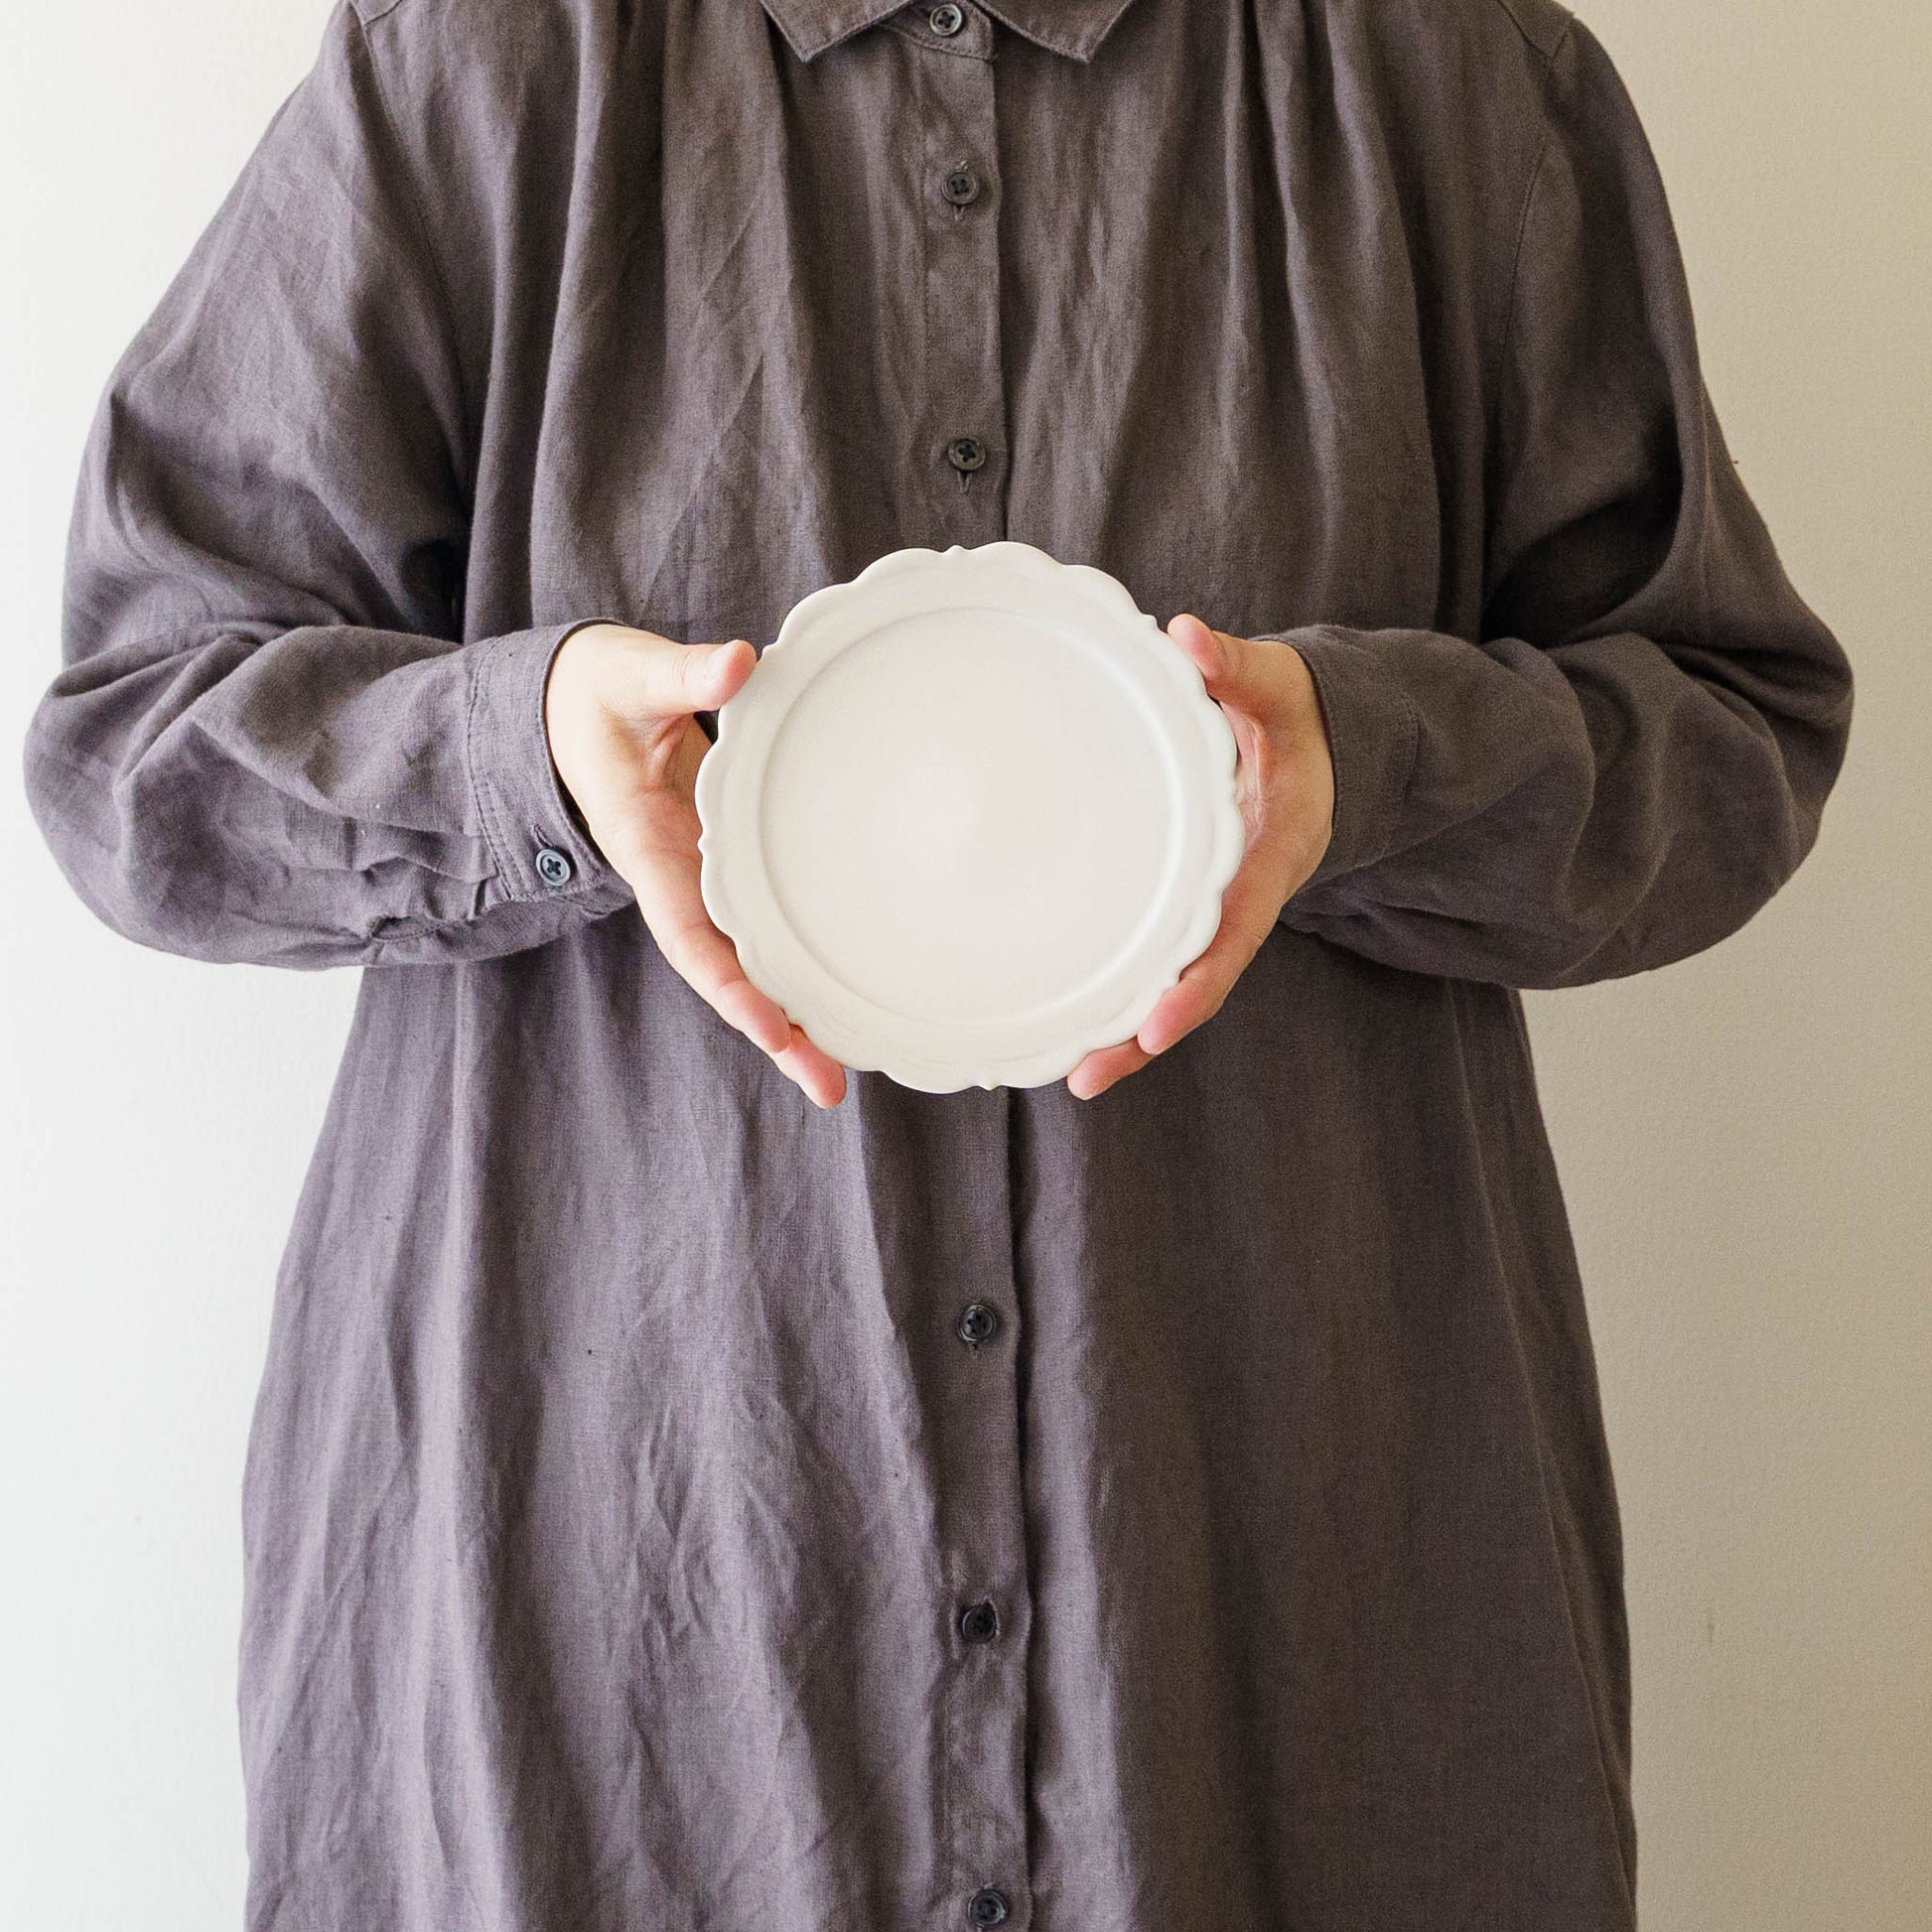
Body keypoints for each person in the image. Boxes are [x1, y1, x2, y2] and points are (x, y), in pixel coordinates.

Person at [22, 0, 1854, 1926]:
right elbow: (136, 740)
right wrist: (523, 748)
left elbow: (1731, 731)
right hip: (612, 1638)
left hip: (1275, 1619)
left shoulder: (1446, 76)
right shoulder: (479, 70)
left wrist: (1374, 761)